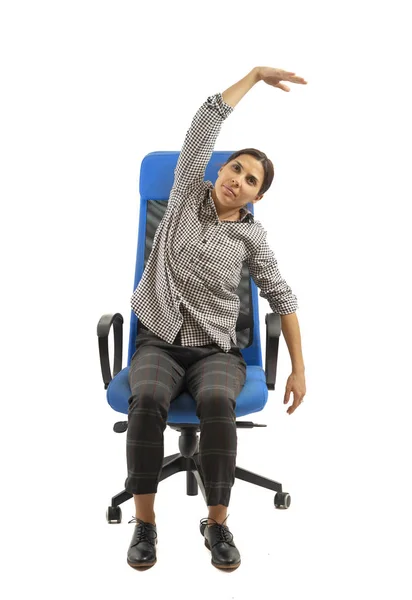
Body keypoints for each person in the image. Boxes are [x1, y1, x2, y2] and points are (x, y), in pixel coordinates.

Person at [126, 66, 308, 570]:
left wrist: (298, 366)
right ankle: (145, 525)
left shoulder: (252, 239)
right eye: (236, 169)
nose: (239, 181)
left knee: (215, 402)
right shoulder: (184, 195)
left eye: (251, 180)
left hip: (217, 353)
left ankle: (218, 524)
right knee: (147, 399)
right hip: (158, 342)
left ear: (258, 195)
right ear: (220, 170)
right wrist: (253, 76)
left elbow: (284, 299)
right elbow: (206, 119)